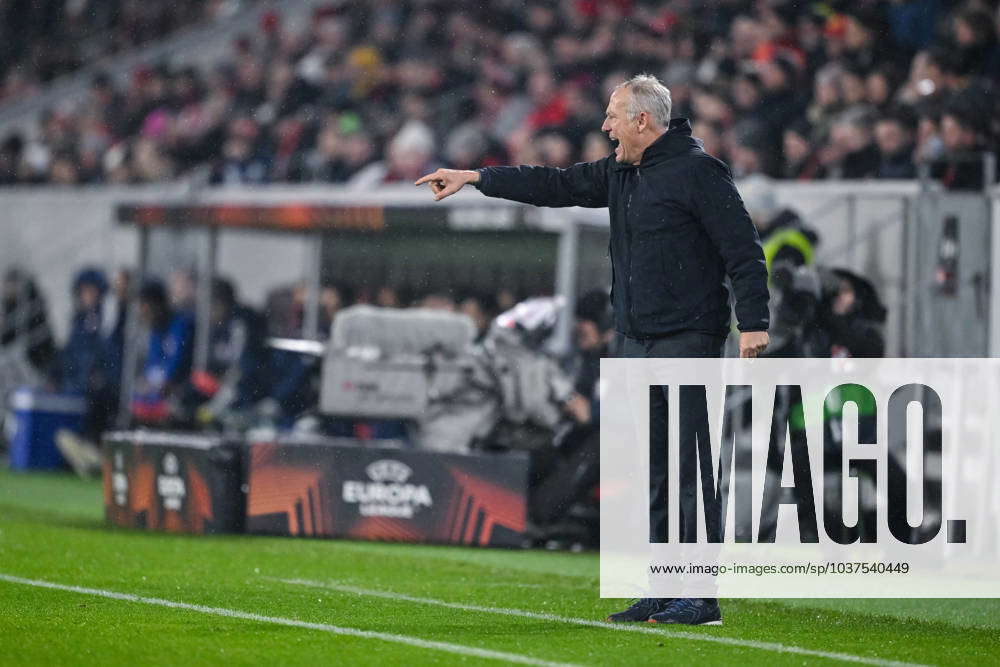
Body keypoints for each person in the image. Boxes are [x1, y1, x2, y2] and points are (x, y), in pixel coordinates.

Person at [417, 74, 770, 626]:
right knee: (655, 467)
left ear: (642, 122)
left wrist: (753, 322)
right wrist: (475, 177)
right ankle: (664, 588)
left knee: (687, 466)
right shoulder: (621, 172)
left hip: (687, 339)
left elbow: (744, 251)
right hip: (635, 338)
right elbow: (553, 185)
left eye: (612, 116)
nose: (604, 126)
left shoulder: (698, 172)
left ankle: (700, 596)